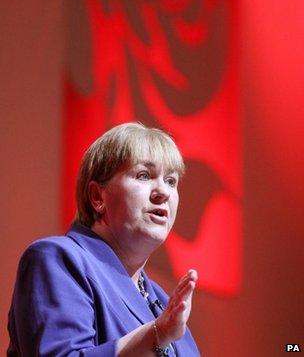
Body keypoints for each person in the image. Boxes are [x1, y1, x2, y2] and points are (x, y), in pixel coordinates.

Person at [8, 122, 200, 356]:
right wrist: (156, 334)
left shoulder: (164, 302)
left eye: (171, 181)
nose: (163, 192)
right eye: (144, 175)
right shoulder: (58, 260)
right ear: (98, 196)